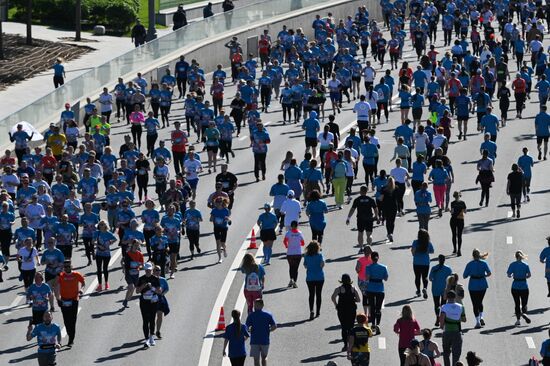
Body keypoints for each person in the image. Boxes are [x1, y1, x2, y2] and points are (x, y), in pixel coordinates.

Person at [56, 260, 85, 347]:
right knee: (66, 321)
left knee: (73, 321)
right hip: (64, 300)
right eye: (65, 267)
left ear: (71, 266)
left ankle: (71, 340)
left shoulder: (76, 274)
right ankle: (69, 334)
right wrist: (58, 299)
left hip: (74, 300)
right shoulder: (61, 276)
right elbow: (57, 287)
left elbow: (83, 283)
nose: (67, 268)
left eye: (68, 266)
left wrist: (81, 290)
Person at [331, 273, 360, 351]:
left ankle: (345, 345)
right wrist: (353, 299)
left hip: (342, 310)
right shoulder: (353, 288)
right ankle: (352, 344)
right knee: (351, 327)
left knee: (344, 327)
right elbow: (359, 300)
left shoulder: (339, 289)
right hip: (352, 310)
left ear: (342, 280)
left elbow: (333, 297)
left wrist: (336, 305)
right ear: (350, 280)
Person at [463, 249, 492, 329]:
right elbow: (489, 273)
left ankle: (478, 321)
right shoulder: (484, 263)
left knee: (475, 303)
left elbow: (464, 276)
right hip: (482, 284)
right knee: (480, 301)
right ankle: (481, 317)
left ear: (473, 255)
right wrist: (483, 276)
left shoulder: (469, 264)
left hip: (473, 285)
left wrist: (470, 273)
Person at [136, 262, 161, 348]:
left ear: (151, 270)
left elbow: (159, 291)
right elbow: (137, 291)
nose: (148, 272)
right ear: (145, 270)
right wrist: (143, 286)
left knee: (152, 319)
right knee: (145, 321)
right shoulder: (141, 279)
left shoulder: (155, 278)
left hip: (153, 302)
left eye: (149, 270)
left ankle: (151, 337)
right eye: (147, 270)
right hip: (144, 302)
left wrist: (152, 288)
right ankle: (146, 339)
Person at [347, 185, 378, 252]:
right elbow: (375, 209)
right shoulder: (371, 199)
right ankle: (369, 247)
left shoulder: (357, 200)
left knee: (360, 233)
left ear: (360, 191)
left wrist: (348, 218)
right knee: (369, 234)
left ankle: (361, 248)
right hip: (369, 218)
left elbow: (352, 209)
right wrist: (376, 216)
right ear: (366, 191)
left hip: (360, 219)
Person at [246, 299, 277, 366]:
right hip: (265, 340)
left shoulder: (251, 315)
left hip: (254, 340)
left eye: (255, 305)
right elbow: (274, 326)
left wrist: (249, 331)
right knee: (264, 357)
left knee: (256, 359)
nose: (254, 307)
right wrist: (268, 330)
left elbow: (246, 327)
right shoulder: (268, 315)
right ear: (262, 305)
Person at [439, 290, 466, 366]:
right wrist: (456, 318)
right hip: (457, 332)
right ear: (455, 297)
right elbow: (464, 320)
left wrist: (442, 326)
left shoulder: (444, 307)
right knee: (456, 353)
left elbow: (441, 318)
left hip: (447, 332)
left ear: (447, 297)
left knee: (446, 353)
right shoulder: (461, 307)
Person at [507, 250, 532, 326]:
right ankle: (524, 313)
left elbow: (509, 274)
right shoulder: (526, 265)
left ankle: (518, 320)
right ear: (521, 256)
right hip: (524, 286)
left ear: (515, 257)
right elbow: (529, 275)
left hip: (515, 286)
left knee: (517, 303)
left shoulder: (512, 265)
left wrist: (512, 276)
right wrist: (524, 277)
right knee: (524, 303)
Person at [429, 254, 452, 327]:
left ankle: (437, 318)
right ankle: (442, 319)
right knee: (443, 305)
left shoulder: (434, 268)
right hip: (444, 289)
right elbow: (451, 280)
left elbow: (430, 278)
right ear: (444, 260)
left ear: (438, 260)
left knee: (436, 304)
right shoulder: (448, 269)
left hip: (435, 289)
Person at [303, 241, 325, 320]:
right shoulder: (320, 255)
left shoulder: (306, 256)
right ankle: (318, 311)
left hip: (310, 277)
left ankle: (311, 310)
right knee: (319, 294)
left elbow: (305, 265)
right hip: (319, 277)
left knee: (311, 294)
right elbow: (322, 265)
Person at [411, 229, 435, 299]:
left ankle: (418, 291)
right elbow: (432, 251)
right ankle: (425, 288)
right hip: (425, 262)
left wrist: (414, 252)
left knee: (417, 277)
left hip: (417, 262)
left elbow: (413, 252)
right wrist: (427, 251)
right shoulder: (428, 243)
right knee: (425, 277)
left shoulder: (415, 242)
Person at [283, 220, 304, 288]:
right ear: (297, 226)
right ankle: (294, 281)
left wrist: (287, 246)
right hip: (298, 253)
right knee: (296, 268)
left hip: (290, 253)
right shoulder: (300, 233)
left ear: (291, 226)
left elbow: (285, 241)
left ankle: (291, 280)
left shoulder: (288, 233)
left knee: (291, 267)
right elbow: (303, 243)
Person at [449, 191, 466, 256]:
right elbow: (465, 211)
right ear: (459, 196)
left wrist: (449, 210)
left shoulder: (452, 203)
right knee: (459, 235)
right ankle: (459, 250)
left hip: (453, 220)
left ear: (454, 196)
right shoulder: (462, 203)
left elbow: (452, 212)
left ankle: (454, 249)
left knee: (453, 235)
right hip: (460, 220)